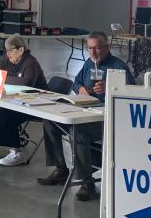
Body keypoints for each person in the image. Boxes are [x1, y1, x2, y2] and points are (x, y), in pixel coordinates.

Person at [37, 31, 134, 201]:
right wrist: (80, 88)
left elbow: (132, 92)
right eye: (89, 48)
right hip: (85, 111)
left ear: (107, 47)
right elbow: (76, 82)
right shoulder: (89, 63)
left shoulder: (119, 67)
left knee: (79, 132)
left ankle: (87, 183)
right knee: (50, 122)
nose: (93, 53)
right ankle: (61, 169)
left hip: (106, 119)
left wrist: (111, 88)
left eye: (97, 48)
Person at [0, 34, 48, 167]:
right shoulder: (9, 60)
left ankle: (17, 152)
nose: (7, 54)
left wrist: (0, 77)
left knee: (5, 114)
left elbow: (26, 82)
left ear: (21, 50)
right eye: (6, 51)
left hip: (35, 105)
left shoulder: (31, 63)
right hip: (17, 101)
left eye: (10, 50)